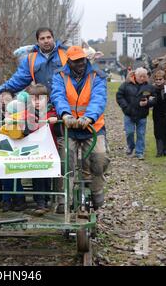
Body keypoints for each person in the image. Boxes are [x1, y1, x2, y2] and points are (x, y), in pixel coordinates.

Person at [51, 46, 109, 212]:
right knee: (65, 161)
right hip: (69, 127)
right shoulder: (59, 76)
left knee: (99, 159)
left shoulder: (97, 75)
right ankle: (64, 200)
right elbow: (58, 95)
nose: (80, 63)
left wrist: (89, 117)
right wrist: (65, 115)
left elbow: (99, 98)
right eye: (76, 61)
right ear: (68, 62)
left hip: (92, 126)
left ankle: (96, 189)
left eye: (82, 59)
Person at [0, 27, 68, 96]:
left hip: (65, 101)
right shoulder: (31, 59)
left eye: (48, 37)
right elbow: (18, 80)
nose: (46, 41)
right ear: (38, 42)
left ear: (53, 38)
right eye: (42, 38)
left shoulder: (66, 54)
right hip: (42, 103)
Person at [26, 84, 59, 215]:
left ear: (47, 98)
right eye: (34, 99)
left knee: (48, 176)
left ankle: (47, 198)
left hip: (50, 150)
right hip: (34, 151)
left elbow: (59, 125)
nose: (37, 102)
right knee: (37, 175)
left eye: (41, 98)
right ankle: (40, 202)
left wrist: (56, 120)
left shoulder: (53, 112)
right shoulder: (28, 114)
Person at [116, 67, 156, 160]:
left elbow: (154, 98)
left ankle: (139, 152)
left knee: (141, 134)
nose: (142, 78)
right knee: (129, 132)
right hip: (129, 113)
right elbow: (119, 96)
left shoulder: (149, 86)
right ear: (135, 76)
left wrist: (148, 103)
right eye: (140, 76)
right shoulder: (126, 84)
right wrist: (126, 107)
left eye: (144, 76)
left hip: (142, 114)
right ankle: (131, 146)